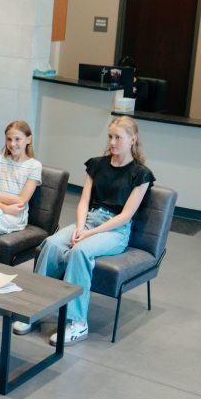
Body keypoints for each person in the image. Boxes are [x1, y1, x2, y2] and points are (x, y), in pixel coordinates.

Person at [16, 116, 154, 345]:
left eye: (118, 137)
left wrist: (87, 236)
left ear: (132, 140)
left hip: (115, 231)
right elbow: (83, 202)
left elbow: (125, 216)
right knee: (51, 244)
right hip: (89, 221)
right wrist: (80, 227)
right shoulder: (96, 164)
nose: (112, 142)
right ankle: (36, 307)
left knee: (80, 251)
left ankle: (77, 322)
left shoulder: (141, 174)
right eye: (110, 136)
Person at [0, 120, 42, 260]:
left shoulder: (34, 166)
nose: (12, 144)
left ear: (28, 139)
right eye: (9, 139)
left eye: (18, 139)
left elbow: (21, 200)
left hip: (15, 215)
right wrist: (5, 207)